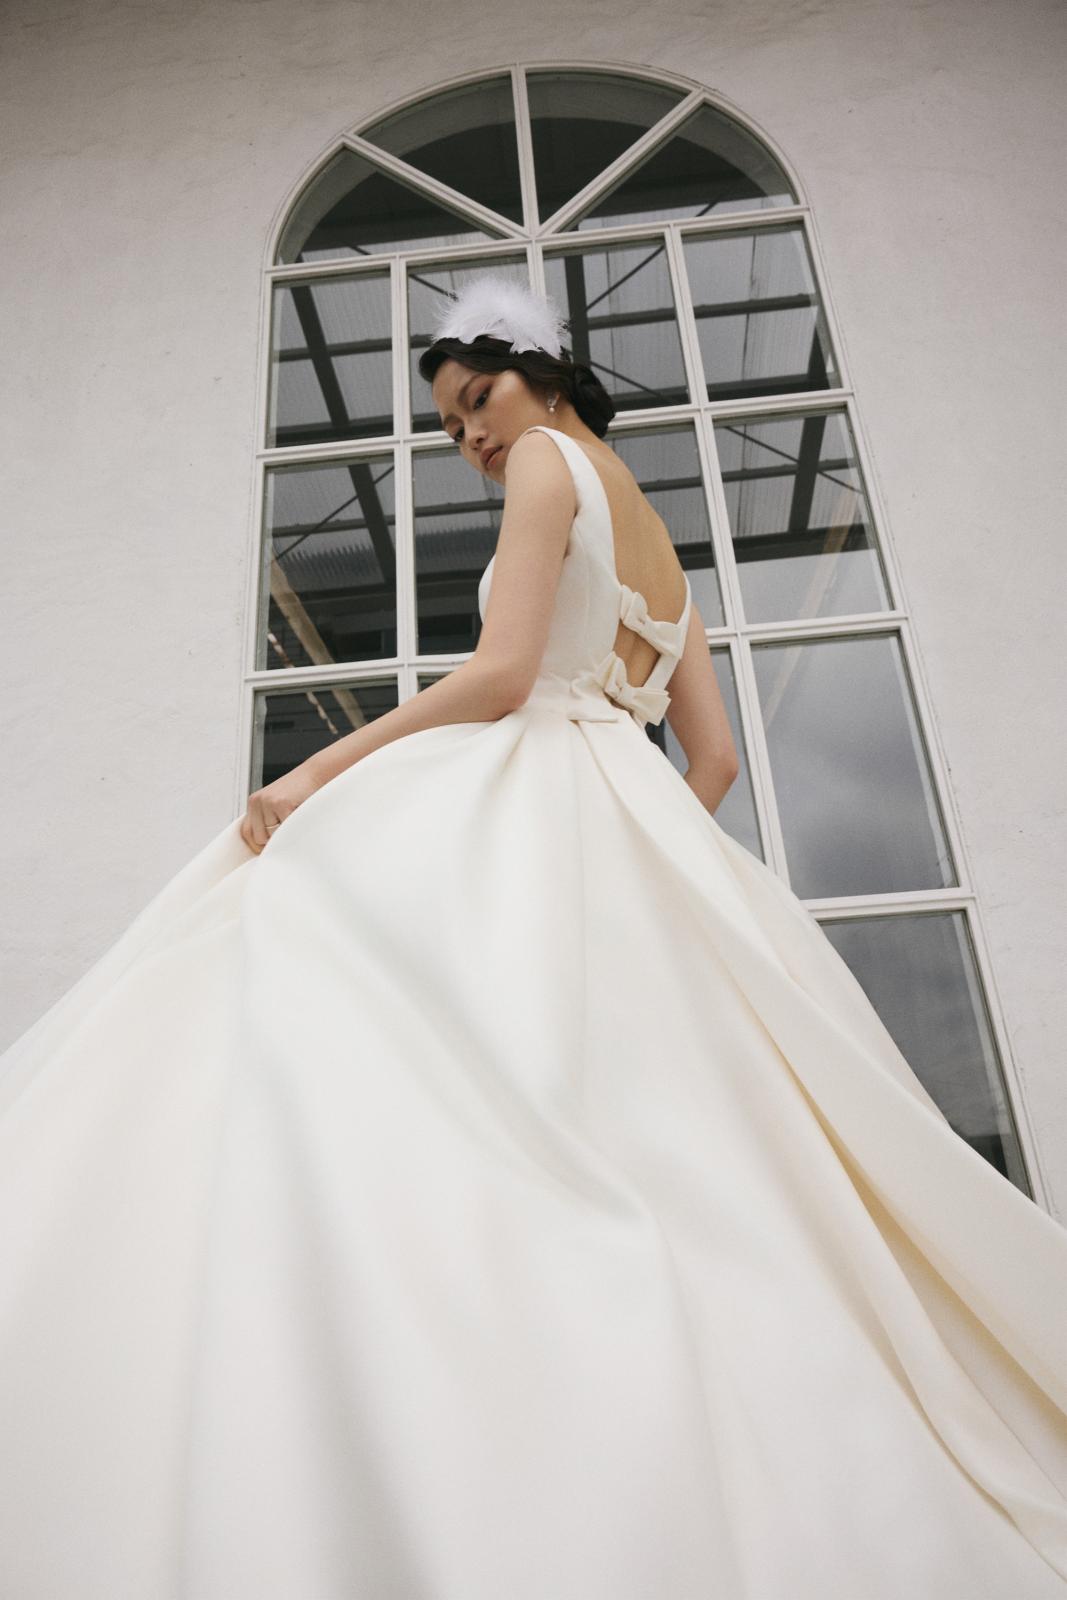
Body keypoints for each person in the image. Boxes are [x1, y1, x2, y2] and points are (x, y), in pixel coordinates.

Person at [0, 272, 1065, 1600]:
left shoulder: (551, 464)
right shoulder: (658, 534)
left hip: (539, 766)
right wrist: (636, 856)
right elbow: (716, 763)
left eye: (479, 399)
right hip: (623, 797)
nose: (472, 437)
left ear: (542, 377)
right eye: (452, 425)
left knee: (334, 984)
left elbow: (504, 676)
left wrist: (317, 769)